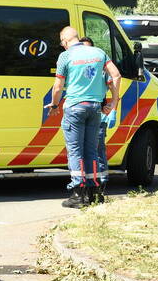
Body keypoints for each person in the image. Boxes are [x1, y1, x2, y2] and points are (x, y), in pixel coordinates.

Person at [48, 26, 121, 208]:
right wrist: (113, 103)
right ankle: (94, 192)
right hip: (95, 108)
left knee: (75, 151)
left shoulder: (65, 56)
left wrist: (54, 105)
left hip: (74, 107)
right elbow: (116, 75)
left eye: (62, 43)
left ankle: (78, 195)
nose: (63, 46)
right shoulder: (98, 52)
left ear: (65, 41)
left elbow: (58, 87)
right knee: (91, 150)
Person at [81, 36, 112, 202]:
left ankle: (101, 185)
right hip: (85, 115)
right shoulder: (78, 66)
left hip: (98, 114)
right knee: (85, 152)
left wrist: (112, 106)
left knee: (98, 151)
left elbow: (113, 82)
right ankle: (88, 186)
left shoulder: (101, 67)